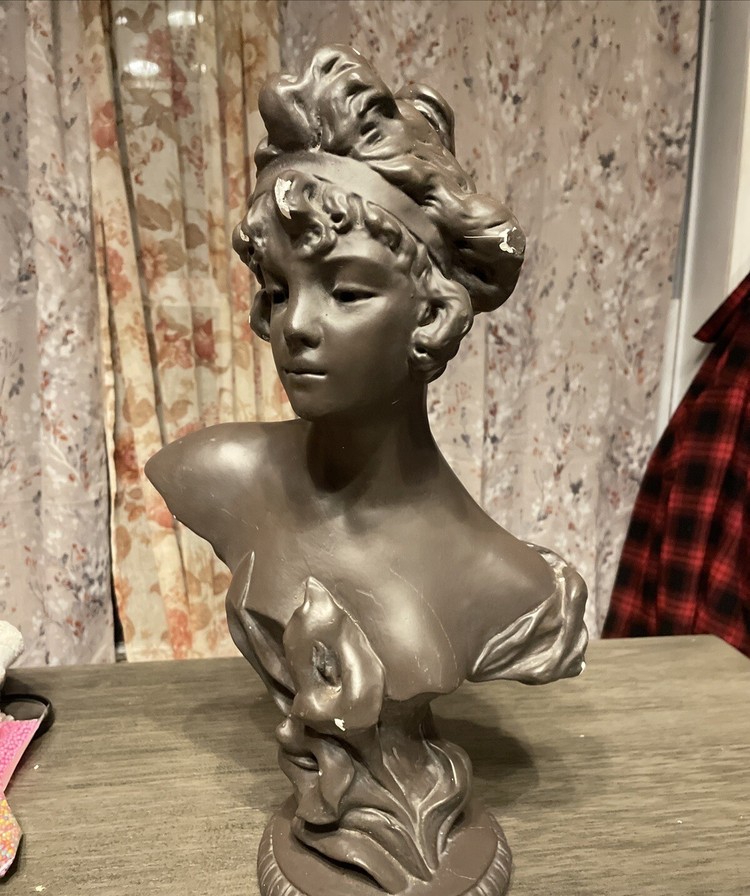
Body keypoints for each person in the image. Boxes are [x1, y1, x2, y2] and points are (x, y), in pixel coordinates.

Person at [145, 46, 586, 705]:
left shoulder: (515, 588)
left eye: (347, 292)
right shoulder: (213, 472)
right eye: (278, 292)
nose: (296, 325)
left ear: (432, 314)